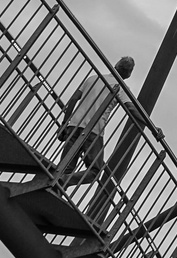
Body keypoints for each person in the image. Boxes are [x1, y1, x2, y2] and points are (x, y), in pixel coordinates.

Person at [57, 57, 137, 185]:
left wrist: (64, 124)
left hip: (74, 126)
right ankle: (63, 181)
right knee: (94, 171)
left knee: (66, 166)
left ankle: (59, 182)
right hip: (93, 131)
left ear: (115, 65)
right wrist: (151, 127)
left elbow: (73, 100)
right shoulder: (120, 87)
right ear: (128, 74)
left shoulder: (93, 78)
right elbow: (131, 108)